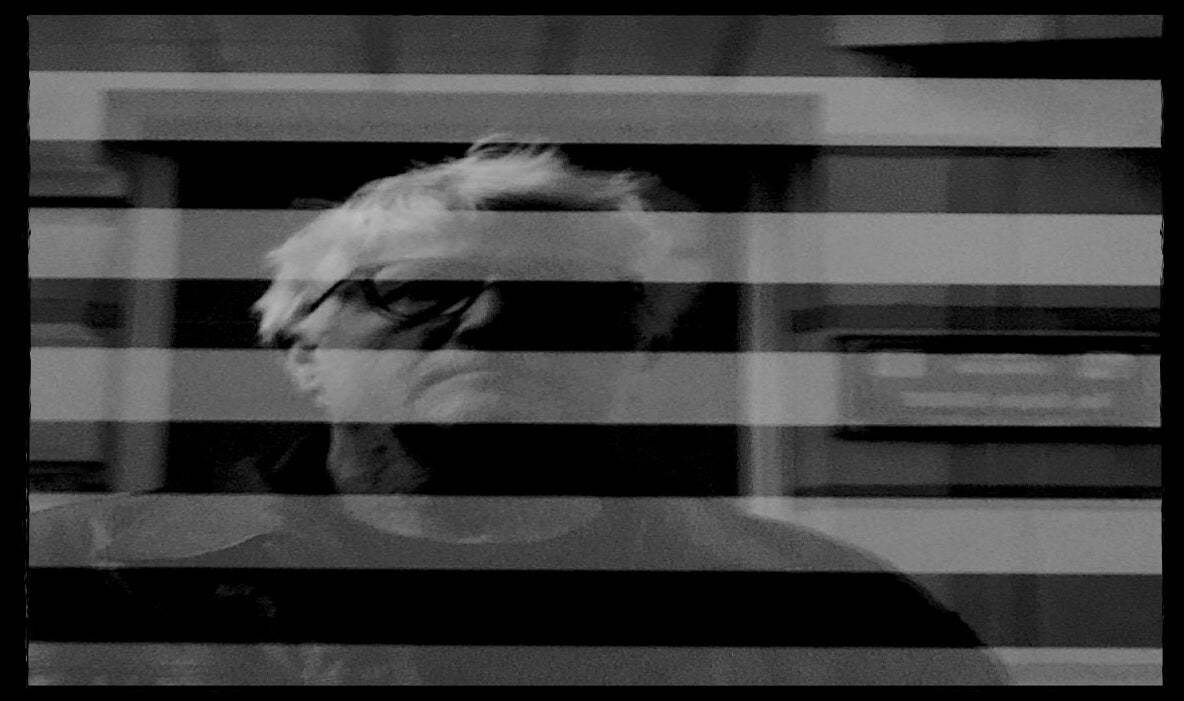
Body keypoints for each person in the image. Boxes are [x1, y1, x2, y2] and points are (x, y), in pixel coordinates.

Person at [29, 140, 1008, 685]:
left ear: (635, 358)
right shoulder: (85, 577)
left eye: (564, 298)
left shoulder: (836, 614)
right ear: (304, 351)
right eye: (419, 289)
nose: (493, 319)